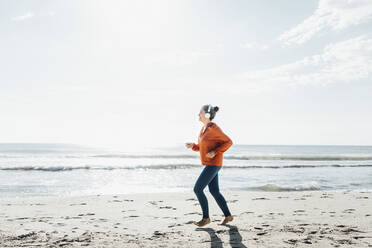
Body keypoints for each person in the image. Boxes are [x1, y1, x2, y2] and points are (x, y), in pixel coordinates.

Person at [185, 104, 234, 227]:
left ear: (207, 115)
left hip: (214, 164)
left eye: (200, 112)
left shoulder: (213, 127)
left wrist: (215, 152)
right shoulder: (204, 129)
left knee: (197, 189)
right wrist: (194, 146)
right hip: (211, 164)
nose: (198, 115)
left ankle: (206, 218)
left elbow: (229, 142)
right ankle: (228, 216)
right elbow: (203, 147)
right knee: (214, 191)